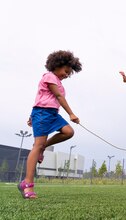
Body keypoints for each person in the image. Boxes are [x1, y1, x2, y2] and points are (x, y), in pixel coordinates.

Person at [18, 50, 82, 199]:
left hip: (52, 114)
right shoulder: (49, 76)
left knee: (68, 132)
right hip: (42, 114)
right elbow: (58, 96)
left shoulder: (58, 82)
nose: (67, 75)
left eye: (69, 73)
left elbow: (42, 96)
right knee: (37, 145)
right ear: (57, 65)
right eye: (66, 71)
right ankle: (27, 184)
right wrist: (71, 113)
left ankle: (43, 147)